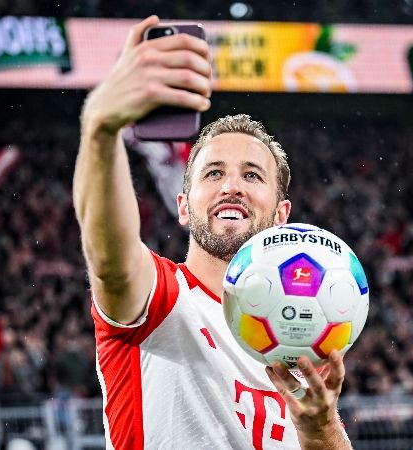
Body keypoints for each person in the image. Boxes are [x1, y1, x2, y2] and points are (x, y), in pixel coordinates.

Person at [73, 15, 352, 449]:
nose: (231, 186)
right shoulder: (160, 299)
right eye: (214, 172)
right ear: (183, 207)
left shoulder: (300, 337)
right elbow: (110, 259)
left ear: (282, 215)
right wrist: (101, 130)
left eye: (252, 175)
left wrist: (323, 430)